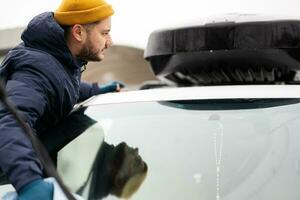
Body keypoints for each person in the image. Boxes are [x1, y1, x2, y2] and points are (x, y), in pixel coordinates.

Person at [0, 0, 124, 199]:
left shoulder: (58, 59)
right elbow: (11, 123)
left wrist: (95, 90)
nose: (109, 42)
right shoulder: (37, 70)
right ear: (78, 32)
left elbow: (59, 85)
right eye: (104, 33)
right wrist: (29, 183)